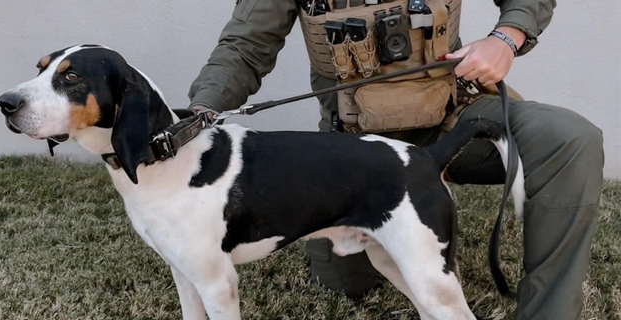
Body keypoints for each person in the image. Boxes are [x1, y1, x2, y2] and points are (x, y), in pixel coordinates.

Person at [187, 1, 604, 319]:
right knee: (343, 283)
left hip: (449, 121)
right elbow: (244, 48)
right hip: (356, 160)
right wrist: (197, 115)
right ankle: (405, 221)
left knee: (569, 140)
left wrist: (506, 38)